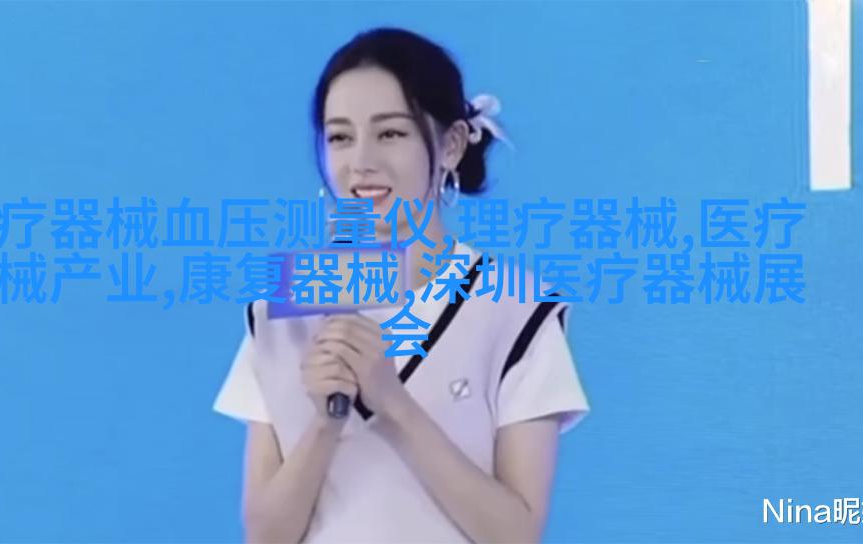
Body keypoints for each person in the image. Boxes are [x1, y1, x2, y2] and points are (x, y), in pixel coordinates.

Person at [214, 26, 590, 543]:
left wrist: (393, 404)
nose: (360, 163)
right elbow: (265, 534)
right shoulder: (282, 309)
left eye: (390, 133)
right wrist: (325, 422)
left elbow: (515, 534)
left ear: (451, 145)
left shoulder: (518, 310)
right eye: (340, 137)